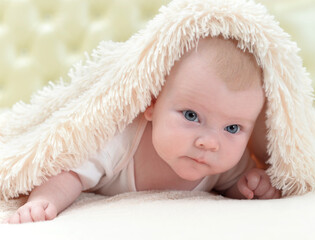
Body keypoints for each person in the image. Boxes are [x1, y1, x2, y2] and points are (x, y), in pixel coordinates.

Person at [5, 37, 281, 224]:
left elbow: (232, 184)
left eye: (232, 127)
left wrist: (250, 187)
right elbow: (70, 173)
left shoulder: (227, 161)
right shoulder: (120, 140)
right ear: (152, 104)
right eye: (191, 115)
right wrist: (43, 200)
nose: (209, 142)